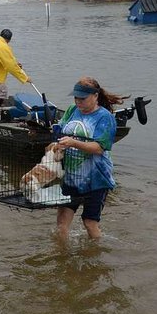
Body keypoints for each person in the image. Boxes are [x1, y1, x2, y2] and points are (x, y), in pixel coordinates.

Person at [55, 77, 126, 240]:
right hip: (71, 177)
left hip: (96, 179)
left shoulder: (105, 117)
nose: (78, 101)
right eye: (76, 98)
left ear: (95, 96)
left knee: (89, 222)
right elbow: (61, 129)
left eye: (82, 98)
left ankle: (97, 249)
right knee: (61, 223)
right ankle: (64, 255)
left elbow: (100, 148)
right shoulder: (72, 110)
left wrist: (73, 142)